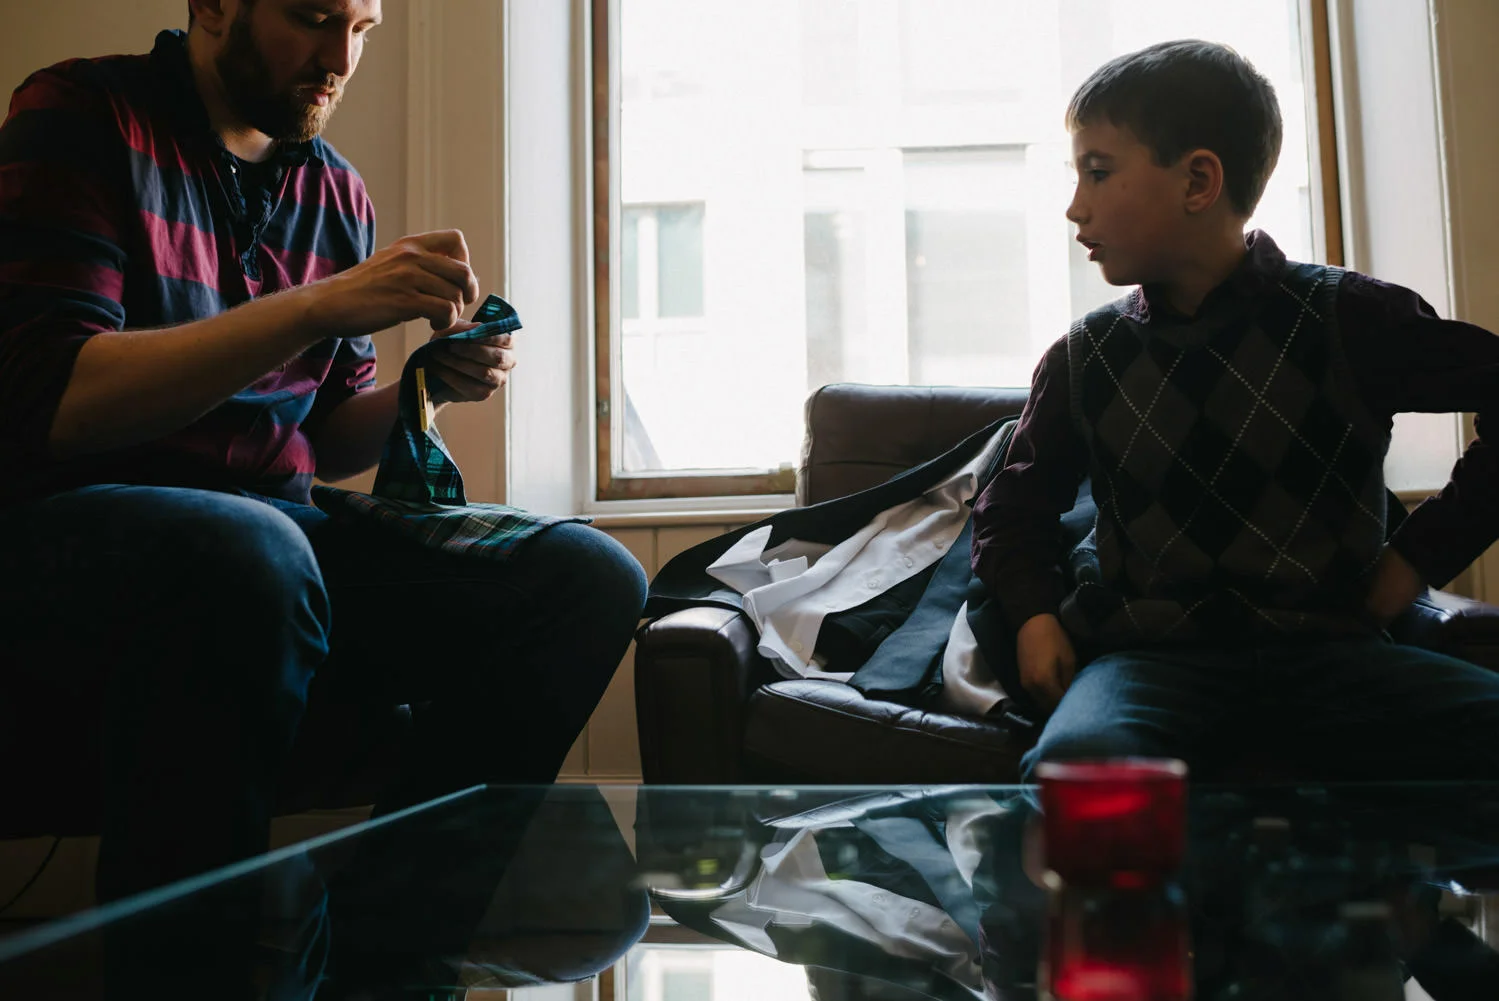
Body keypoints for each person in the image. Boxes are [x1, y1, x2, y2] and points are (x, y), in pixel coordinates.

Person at [0, 0, 646, 903]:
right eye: (311, 18)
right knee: (251, 551)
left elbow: (325, 433)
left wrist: (428, 385)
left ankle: (391, 948)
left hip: (277, 537)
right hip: (80, 529)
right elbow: (54, 401)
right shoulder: (80, 113)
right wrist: (314, 307)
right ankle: (187, 965)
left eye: (363, 27)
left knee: (589, 575)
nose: (339, 57)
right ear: (218, 6)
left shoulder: (332, 191)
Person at [970, 39, 1499, 781]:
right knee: (1075, 775)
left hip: (1336, 656)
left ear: (1197, 181)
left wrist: (1418, 558)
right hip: (1149, 666)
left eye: (1097, 172)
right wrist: (1031, 615)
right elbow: (1012, 505)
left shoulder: (1347, 319)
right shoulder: (1083, 357)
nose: (1074, 206)